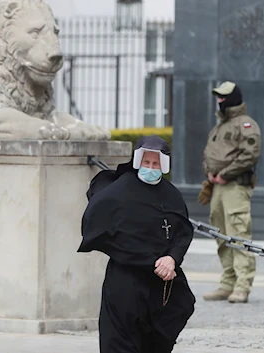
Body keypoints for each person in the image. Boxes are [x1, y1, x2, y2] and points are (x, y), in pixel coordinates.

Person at [78, 135, 196, 353]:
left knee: (158, 336)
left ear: (163, 165)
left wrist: (172, 259)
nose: (150, 168)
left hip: (161, 280)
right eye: (146, 162)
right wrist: (152, 261)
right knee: (121, 341)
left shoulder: (172, 195)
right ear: (138, 161)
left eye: (155, 163)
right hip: (126, 279)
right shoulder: (119, 191)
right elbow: (100, 225)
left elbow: (183, 232)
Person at [200, 81, 261, 304]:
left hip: (235, 187)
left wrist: (225, 173)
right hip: (217, 187)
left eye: (224, 96)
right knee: (221, 234)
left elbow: (250, 154)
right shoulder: (219, 126)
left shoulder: (246, 125)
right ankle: (228, 283)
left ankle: (242, 285)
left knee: (238, 234)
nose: (219, 100)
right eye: (218, 96)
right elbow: (209, 154)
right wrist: (210, 173)